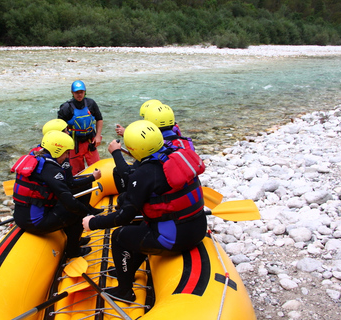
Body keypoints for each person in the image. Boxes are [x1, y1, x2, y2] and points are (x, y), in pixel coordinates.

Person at [82, 120, 207, 302]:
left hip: (175, 237)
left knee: (119, 237)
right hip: (198, 228)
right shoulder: (177, 154)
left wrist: (93, 223)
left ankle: (125, 291)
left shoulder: (145, 174)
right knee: (142, 226)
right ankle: (128, 270)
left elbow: (125, 215)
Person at [11, 130, 101, 258]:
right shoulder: (51, 170)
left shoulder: (38, 158)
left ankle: (73, 238)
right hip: (35, 222)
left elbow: (65, 189)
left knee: (73, 202)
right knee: (76, 213)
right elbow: (70, 203)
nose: (66, 157)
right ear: (57, 151)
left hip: (22, 215)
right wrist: (87, 213)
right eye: (65, 153)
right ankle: (72, 251)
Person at [58, 80, 103, 175]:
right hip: (75, 144)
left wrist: (98, 136)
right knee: (77, 172)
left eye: (81, 92)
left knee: (97, 167)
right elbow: (59, 124)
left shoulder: (91, 103)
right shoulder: (66, 107)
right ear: (72, 93)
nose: (79, 95)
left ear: (85, 92)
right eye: (77, 92)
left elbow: (99, 119)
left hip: (90, 141)